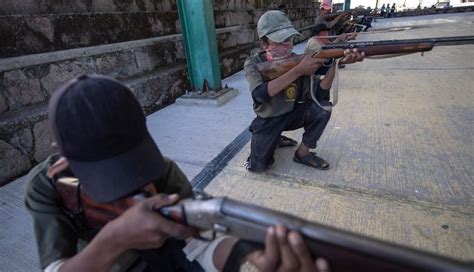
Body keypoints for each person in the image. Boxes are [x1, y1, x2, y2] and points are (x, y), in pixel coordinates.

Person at [25, 74, 330, 272]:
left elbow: (198, 243)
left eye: (130, 160)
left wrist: (248, 251)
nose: (130, 182)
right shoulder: (48, 186)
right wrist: (114, 239)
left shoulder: (161, 168)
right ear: (61, 151)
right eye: (106, 170)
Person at [243, 11, 364, 173]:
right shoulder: (253, 64)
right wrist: (298, 71)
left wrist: (335, 63)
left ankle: (302, 153)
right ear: (264, 44)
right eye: (280, 41)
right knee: (257, 167)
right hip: (268, 120)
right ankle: (271, 136)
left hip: (292, 114)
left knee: (323, 108)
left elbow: (319, 94)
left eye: (290, 39)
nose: (288, 45)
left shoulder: (298, 60)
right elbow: (259, 94)